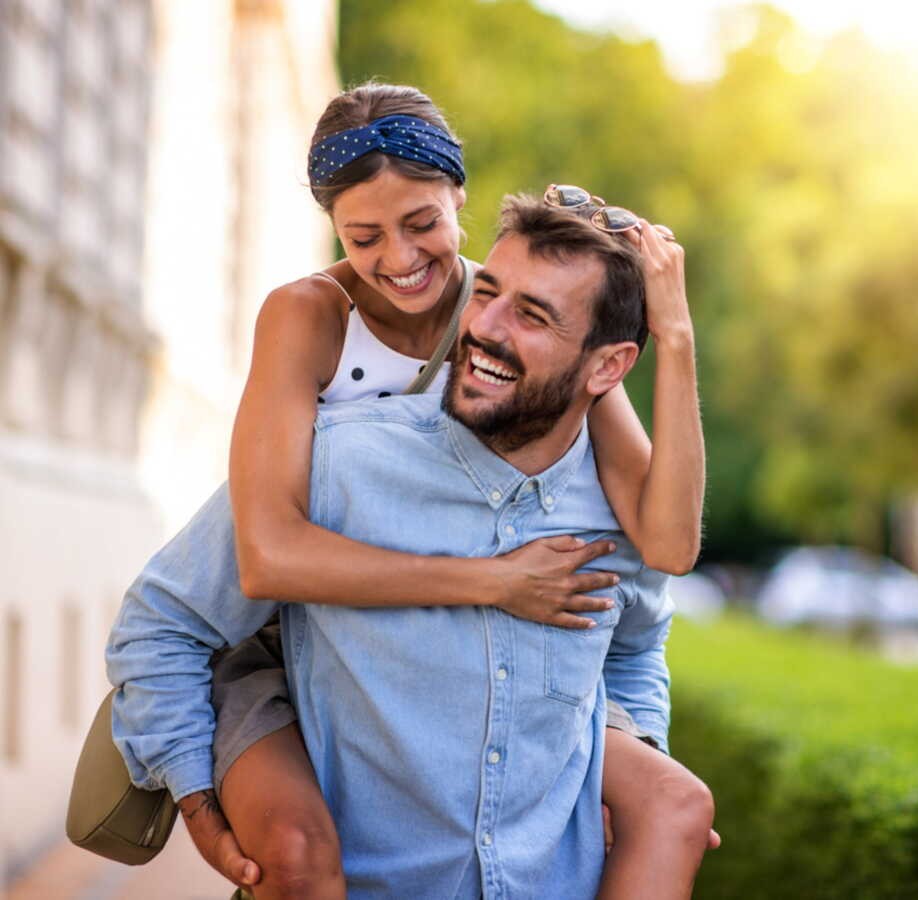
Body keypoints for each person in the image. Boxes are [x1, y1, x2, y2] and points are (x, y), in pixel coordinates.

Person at [111, 83, 713, 898]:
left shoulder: (512, 312)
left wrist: (672, 333)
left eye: (423, 225)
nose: (399, 260)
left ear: (457, 198)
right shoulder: (309, 323)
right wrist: (496, 583)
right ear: (334, 230)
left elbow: (663, 545)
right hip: (285, 633)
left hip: (433, 659)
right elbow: (265, 556)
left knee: (674, 801)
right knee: (296, 850)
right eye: (365, 237)